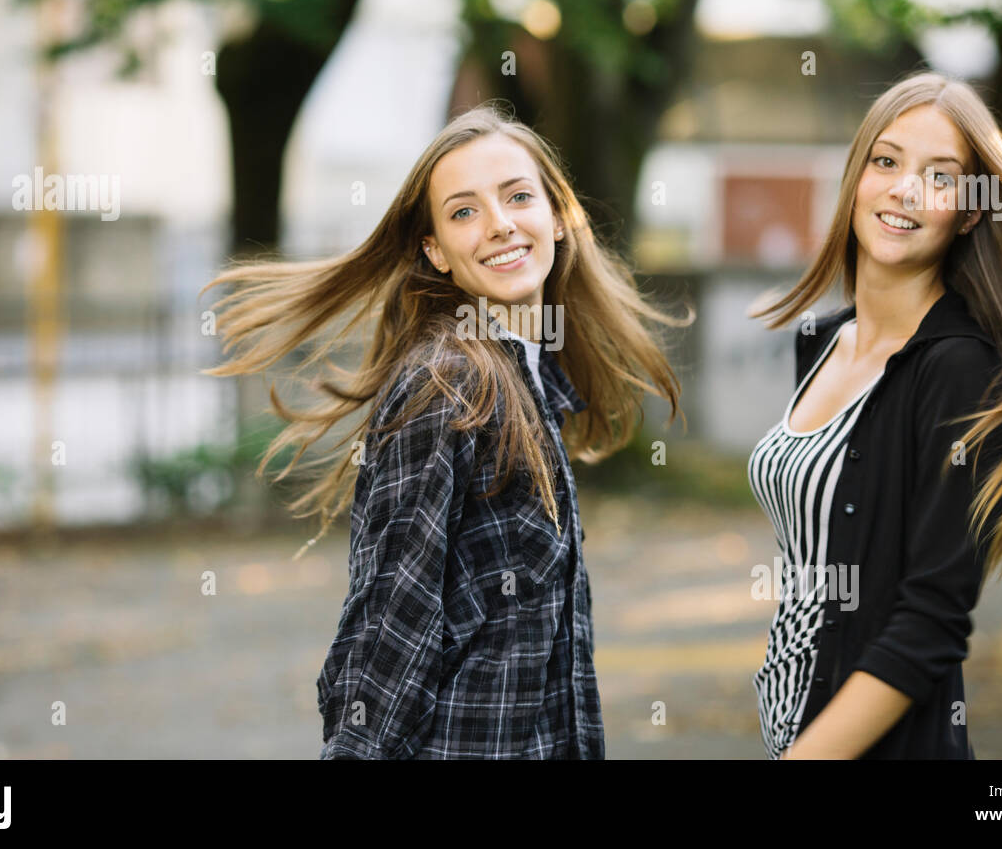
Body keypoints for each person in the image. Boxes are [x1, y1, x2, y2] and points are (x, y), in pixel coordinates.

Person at [200, 103, 688, 759]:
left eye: (518, 197)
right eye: (463, 212)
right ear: (436, 251)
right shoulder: (448, 385)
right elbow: (392, 622)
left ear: (557, 217)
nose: (500, 225)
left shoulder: (530, 376)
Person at [747, 72, 1002, 759]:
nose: (904, 189)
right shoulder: (823, 341)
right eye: (887, 161)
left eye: (940, 175)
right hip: (791, 725)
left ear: (968, 212)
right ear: (857, 176)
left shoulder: (959, 370)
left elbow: (930, 619)